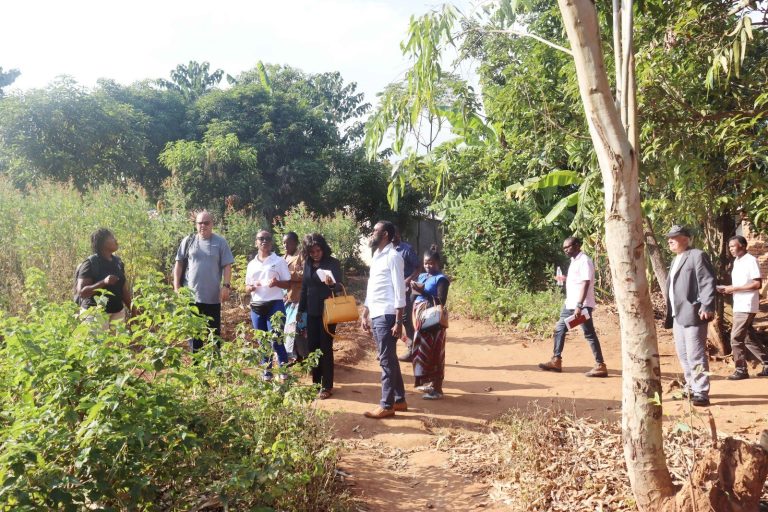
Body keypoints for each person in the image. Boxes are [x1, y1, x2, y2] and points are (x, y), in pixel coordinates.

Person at [539, 237, 608, 378]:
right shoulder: (574, 261)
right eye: (564, 248)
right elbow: (577, 281)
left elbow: (585, 283)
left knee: (589, 333)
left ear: (577, 245)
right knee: (560, 328)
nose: (565, 250)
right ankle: (556, 360)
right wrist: (565, 279)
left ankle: (600, 365)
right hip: (569, 304)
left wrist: (579, 305)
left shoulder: (584, 261)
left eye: (568, 247)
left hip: (581, 306)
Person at [664, 225, 716, 407]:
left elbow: (707, 281)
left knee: (696, 353)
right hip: (677, 314)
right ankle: (691, 386)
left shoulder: (696, 255)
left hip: (694, 312)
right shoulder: (676, 259)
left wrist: (707, 305)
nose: (669, 240)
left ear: (686, 238)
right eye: (669, 237)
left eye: (674, 237)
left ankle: (701, 391)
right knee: (683, 353)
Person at [361, 220, 408, 419]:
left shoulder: (394, 257)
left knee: (386, 360)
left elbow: (399, 290)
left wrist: (398, 321)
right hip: (376, 312)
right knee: (390, 358)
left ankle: (386, 404)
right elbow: (373, 288)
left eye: (375, 231)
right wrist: (365, 311)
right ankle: (399, 400)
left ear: (386, 235)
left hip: (387, 314)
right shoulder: (378, 256)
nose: (372, 234)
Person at [173, 211, 234, 353]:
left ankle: (215, 369)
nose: (203, 226)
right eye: (200, 223)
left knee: (214, 336)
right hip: (191, 298)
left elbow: (227, 266)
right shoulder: (188, 241)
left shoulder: (220, 242)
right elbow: (179, 263)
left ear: (212, 224)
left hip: (213, 298)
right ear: (196, 224)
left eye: (206, 223)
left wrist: (226, 286)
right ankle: (196, 370)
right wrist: (177, 287)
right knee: (194, 337)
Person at [298, 233, 343, 399]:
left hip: (328, 311)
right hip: (311, 311)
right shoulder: (308, 264)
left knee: (325, 348)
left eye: (318, 250)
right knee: (312, 348)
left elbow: (340, 286)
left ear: (323, 248)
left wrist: (332, 284)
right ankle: (315, 383)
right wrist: (300, 312)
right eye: (312, 252)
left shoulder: (333, 263)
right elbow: (304, 288)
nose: (315, 254)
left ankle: (327, 386)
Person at [718, 235, 768, 379]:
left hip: (746, 304)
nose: (731, 249)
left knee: (735, 337)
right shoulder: (737, 261)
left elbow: (757, 284)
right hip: (739, 304)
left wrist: (734, 288)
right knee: (747, 337)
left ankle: (741, 370)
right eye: (730, 247)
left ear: (743, 246)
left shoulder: (750, 260)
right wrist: (727, 288)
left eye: (733, 246)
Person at [245, 230, 292, 381]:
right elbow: (246, 286)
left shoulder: (278, 261)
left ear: (271, 242)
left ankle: (284, 371)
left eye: (267, 239)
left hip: (275, 304)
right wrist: (250, 287)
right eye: (261, 239)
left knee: (276, 339)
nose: (264, 241)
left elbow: (288, 283)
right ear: (256, 242)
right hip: (257, 305)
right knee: (262, 341)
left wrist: (277, 283)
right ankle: (267, 372)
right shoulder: (251, 264)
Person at [410, 245, 450, 400]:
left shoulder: (441, 279)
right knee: (421, 350)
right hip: (420, 321)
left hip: (433, 321)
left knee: (435, 352)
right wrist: (412, 291)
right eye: (426, 263)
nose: (428, 266)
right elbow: (414, 298)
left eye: (431, 263)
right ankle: (426, 384)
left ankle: (437, 389)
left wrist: (423, 292)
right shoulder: (421, 276)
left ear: (438, 263)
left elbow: (441, 301)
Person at [77, 228, 132, 326]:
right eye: (112, 237)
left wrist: (133, 309)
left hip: (117, 313)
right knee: (97, 342)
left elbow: (123, 290)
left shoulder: (118, 262)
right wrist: (104, 282)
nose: (116, 240)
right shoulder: (90, 263)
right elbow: (82, 292)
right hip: (95, 314)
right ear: (103, 243)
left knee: (117, 342)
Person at [393, 227, 421, 362]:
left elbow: (418, 267)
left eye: (396, 233)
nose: (394, 236)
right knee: (390, 319)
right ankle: (388, 350)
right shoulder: (387, 251)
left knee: (404, 319)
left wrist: (408, 279)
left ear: (399, 234)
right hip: (392, 290)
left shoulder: (406, 249)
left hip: (407, 289)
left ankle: (412, 350)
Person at [282, 232, 307, 362]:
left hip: (298, 298)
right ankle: (294, 357)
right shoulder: (283, 257)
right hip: (286, 298)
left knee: (298, 328)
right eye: (284, 242)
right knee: (288, 328)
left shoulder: (302, 256)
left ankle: (303, 357)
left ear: (295, 243)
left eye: (289, 242)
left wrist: (287, 274)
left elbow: (304, 275)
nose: (286, 245)